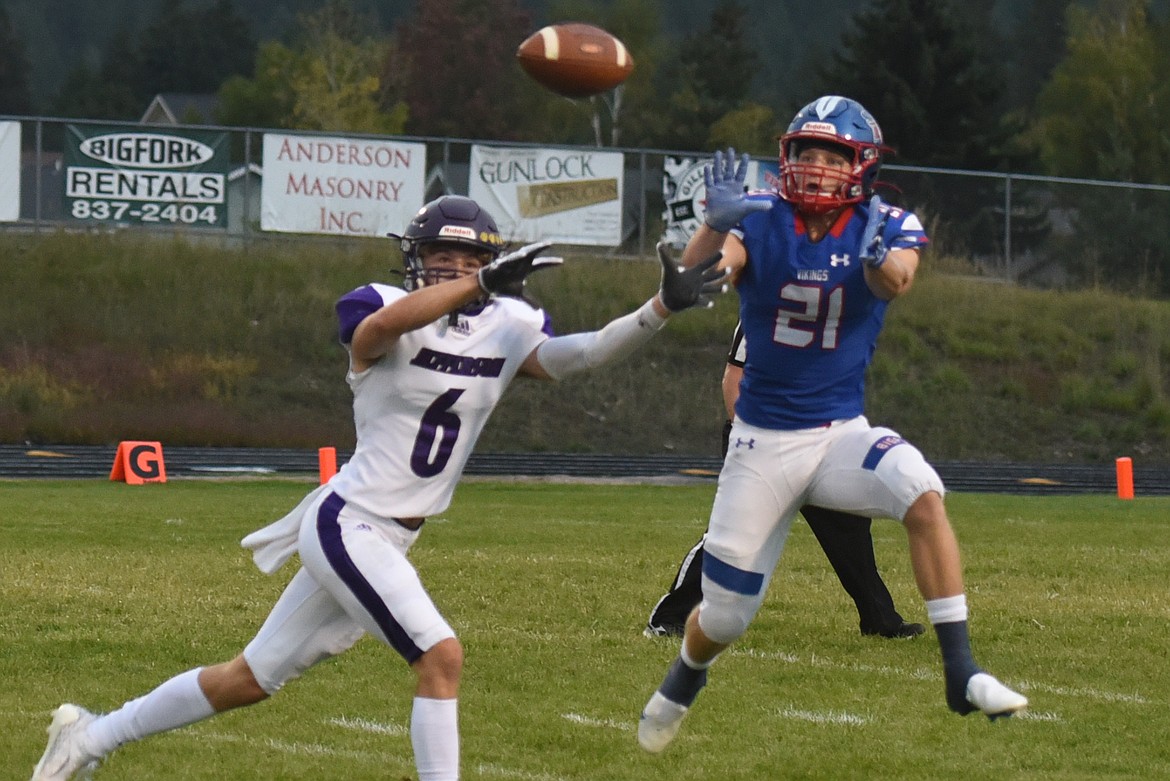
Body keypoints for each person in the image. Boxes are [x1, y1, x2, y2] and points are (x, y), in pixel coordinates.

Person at [30, 194, 729, 781]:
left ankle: (88, 738)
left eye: (470, 264)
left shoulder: (509, 323)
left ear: (492, 266)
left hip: (391, 532)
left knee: (248, 677)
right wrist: (477, 286)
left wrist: (658, 308)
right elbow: (379, 329)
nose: (452, 274)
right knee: (441, 656)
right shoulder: (381, 302)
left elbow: (581, 354)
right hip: (350, 520)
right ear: (414, 260)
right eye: (440, 263)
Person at [637, 96, 1028, 755]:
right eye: (808, 153)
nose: (817, 167)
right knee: (725, 618)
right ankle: (684, 675)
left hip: (838, 432)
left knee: (921, 489)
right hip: (761, 443)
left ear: (862, 165)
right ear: (788, 158)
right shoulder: (761, 218)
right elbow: (703, 276)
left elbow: (896, 279)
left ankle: (961, 669)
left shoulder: (889, 223)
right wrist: (711, 231)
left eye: (833, 155)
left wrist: (873, 254)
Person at [645, 321, 924, 640]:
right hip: (761, 441)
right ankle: (670, 616)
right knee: (734, 535)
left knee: (848, 531)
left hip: (816, 442)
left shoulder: (835, 316)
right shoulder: (764, 310)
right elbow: (733, 381)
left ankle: (880, 620)